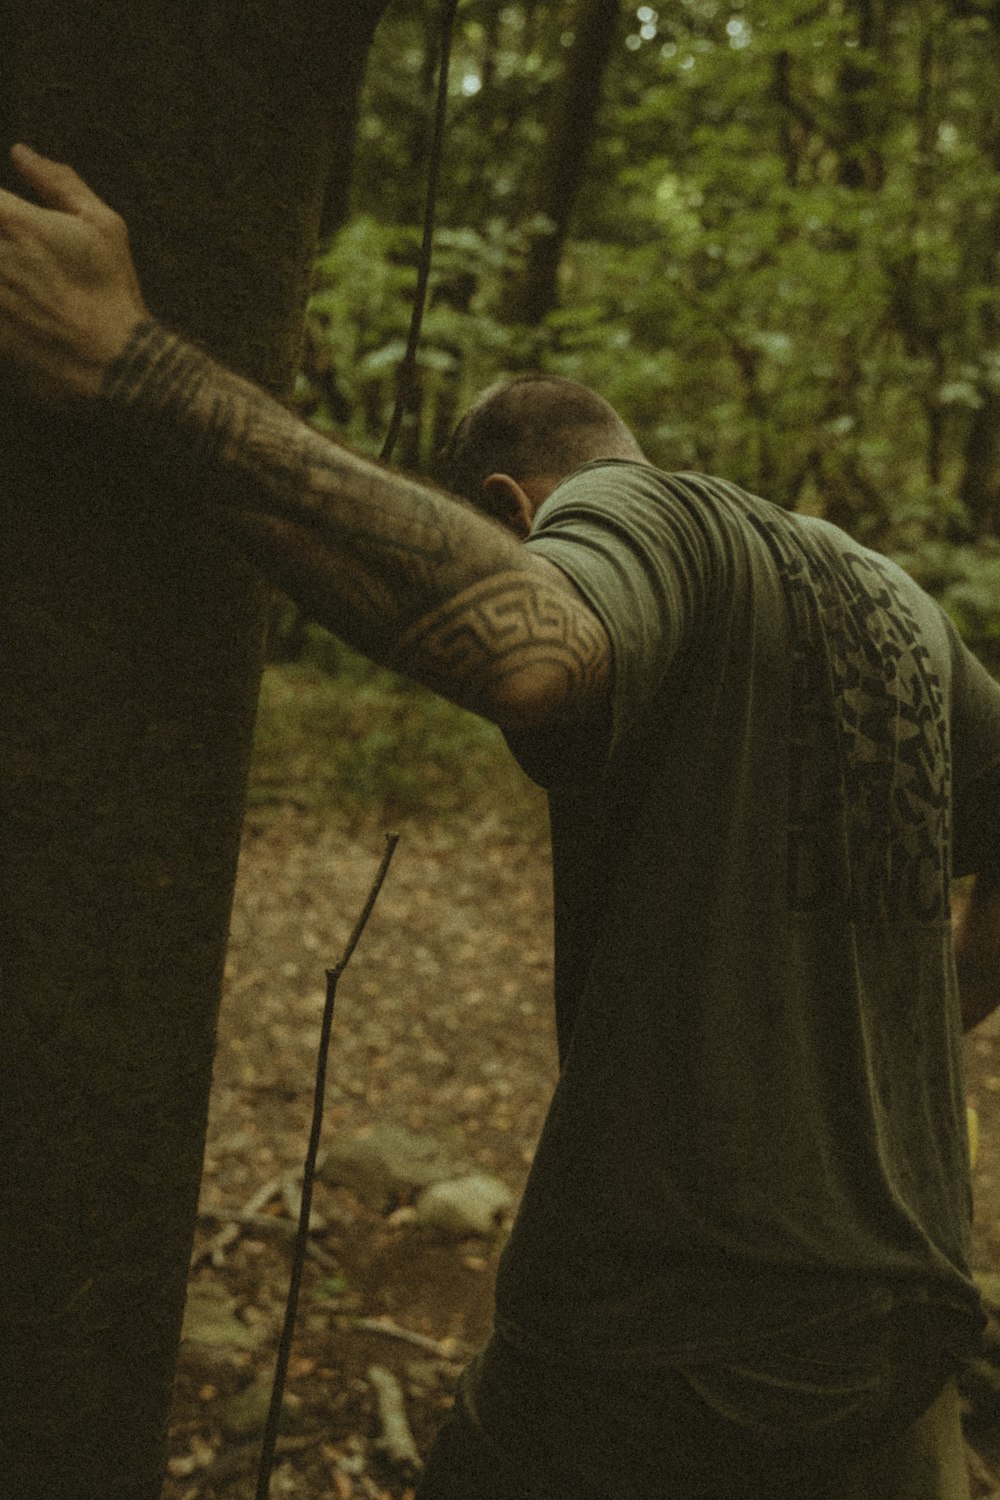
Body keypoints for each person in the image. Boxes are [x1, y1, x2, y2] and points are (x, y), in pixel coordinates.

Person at [2, 145, 1000, 1500]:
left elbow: (531, 653)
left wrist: (134, 369)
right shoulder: (886, 595)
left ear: (508, 510)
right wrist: (903, 1040)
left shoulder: (626, 511)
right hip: (902, 1353)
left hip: (666, 1353)